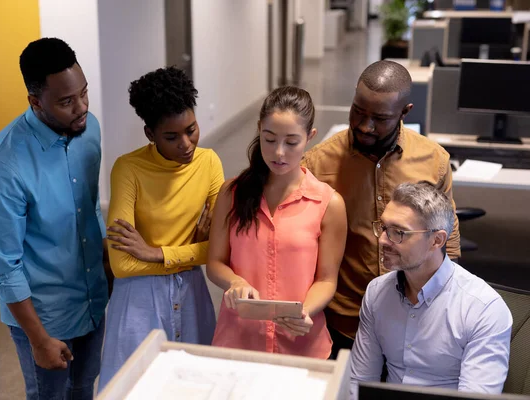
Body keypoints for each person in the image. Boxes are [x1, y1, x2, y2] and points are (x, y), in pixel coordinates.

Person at [0, 38, 108, 399]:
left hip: (92, 300)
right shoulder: (4, 166)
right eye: (66, 101)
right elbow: (4, 266)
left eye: (84, 93)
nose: (81, 107)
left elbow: (90, 206)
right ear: (35, 102)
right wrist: (39, 339)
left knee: (84, 389)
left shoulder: (88, 129)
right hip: (45, 318)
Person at [302, 60, 461, 358]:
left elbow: (447, 245)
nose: (365, 125)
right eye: (358, 112)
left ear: (405, 112)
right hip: (344, 322)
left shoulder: (433, 160)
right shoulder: (317, 164)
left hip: (414, 322)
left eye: (380, 118)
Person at [98, 66, 224, 390]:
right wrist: (194, 249)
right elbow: (122, 265)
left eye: (191, 129)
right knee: (137, 389)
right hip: (138, 301)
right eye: (172, 136)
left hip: (192, 293)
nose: (186, 144)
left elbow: (223, 248)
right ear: (150, 134)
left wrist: (155, 253)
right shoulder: (128, 169)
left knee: (194, 388)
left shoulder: (209, 163)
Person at [207, 86, 347, 359]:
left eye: (291, 142)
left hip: (302, 345)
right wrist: (235, 282)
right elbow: (215, 263)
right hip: (238, 340)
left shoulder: (328, 204)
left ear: (310, 137)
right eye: (269, 139)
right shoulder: (231, 194)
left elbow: (327, 280)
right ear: (259, 129)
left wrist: (304, 311)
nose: (279, 152)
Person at [350, 181, 512, 398]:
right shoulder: (378, 292)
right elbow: (358, 382)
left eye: (399, 232)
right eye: (383, 228)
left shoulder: (483, 309)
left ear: (436, 240)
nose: (383, 241)